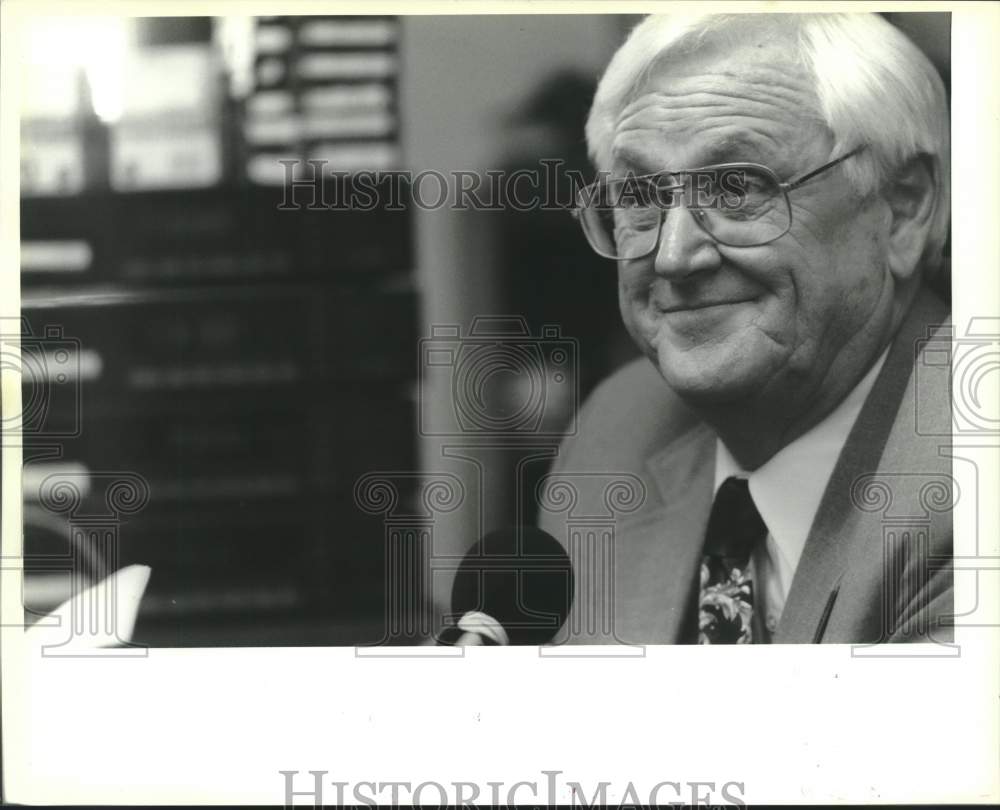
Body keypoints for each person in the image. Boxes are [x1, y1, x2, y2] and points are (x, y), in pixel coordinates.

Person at [537, 12, 953, 644]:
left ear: (903, 209)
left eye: (737, 187)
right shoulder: (615, 430)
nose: (674, 257)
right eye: (640, 197)